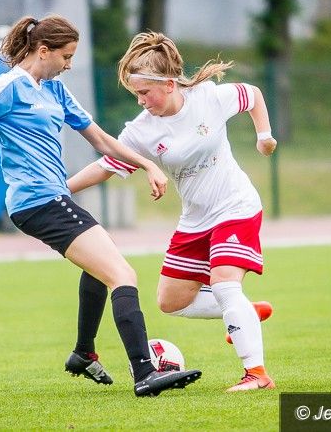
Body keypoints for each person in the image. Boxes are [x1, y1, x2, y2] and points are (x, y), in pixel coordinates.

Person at [0, 16, 201, 397]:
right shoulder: (7, 87)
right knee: (122, 274)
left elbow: (99, 139)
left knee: (101, 267)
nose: (70, 64)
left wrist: (145, 164)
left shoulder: (55, 90)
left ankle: (83, 353)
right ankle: (144, 373)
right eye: (66, 56)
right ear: (43, 51)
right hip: (36, 202)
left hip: (54, 198)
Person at [66, 31, 277, 392]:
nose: (140, 100)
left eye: (145, 92)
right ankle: (242, 311)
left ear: (168, 84)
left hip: (236, 205)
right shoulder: (141, 131)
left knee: (225, 283)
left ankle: (256, 375)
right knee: (170, 301)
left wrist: (264, 136)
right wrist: (60, 189)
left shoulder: (208, 98)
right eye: (135, 94)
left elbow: (252, 95)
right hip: (195, 219)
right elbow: (105, 166)